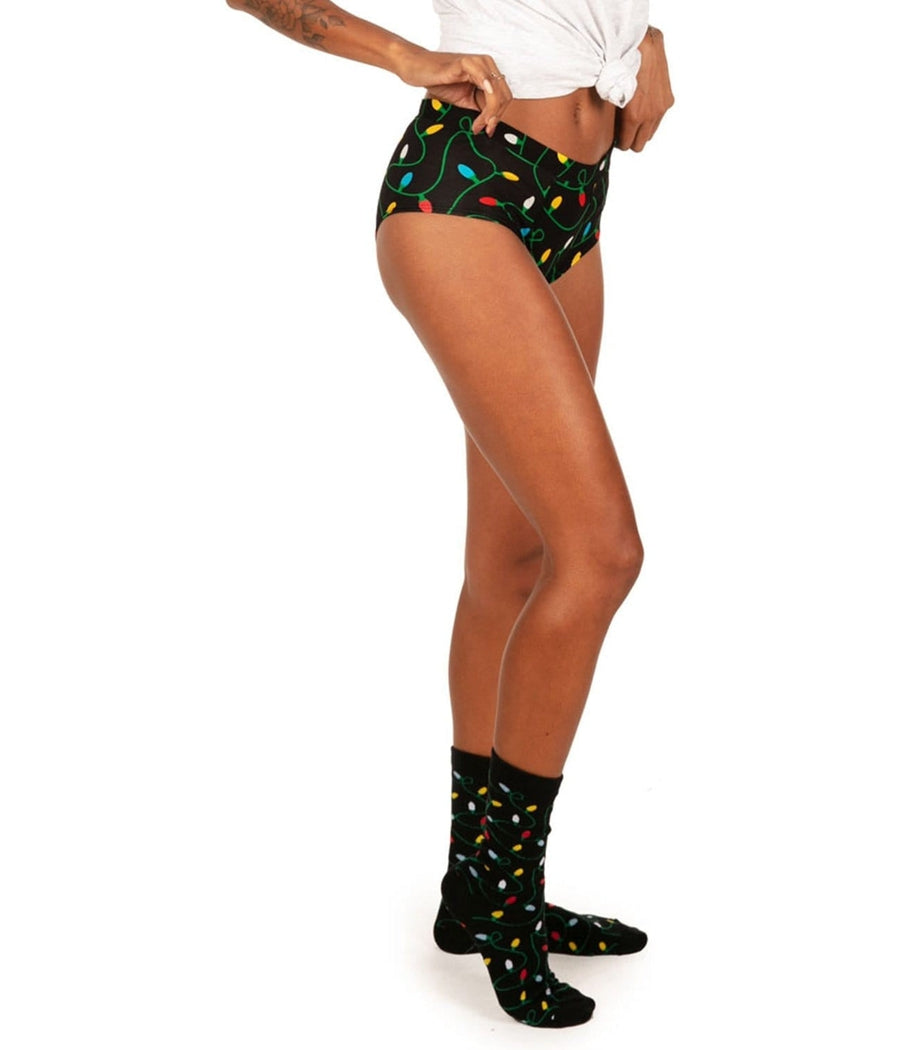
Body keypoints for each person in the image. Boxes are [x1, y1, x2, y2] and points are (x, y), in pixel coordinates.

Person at [225, 0, 674, 1028]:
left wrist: (647, 41)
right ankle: (509, 900)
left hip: (574, 199)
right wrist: (400, 55)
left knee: (514, 566)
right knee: (601, 556)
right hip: (464, 190)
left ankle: (471, 892)